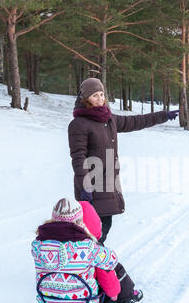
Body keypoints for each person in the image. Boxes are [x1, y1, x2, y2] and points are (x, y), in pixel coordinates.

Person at [68, 77, 179, 244]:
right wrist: (85, 187)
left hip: (108, 184)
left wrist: (163, 115)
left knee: (102, 229)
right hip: (91, 186)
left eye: (101, 94)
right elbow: (78, 158)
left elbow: (135, 121)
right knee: (92, 232)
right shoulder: (79, 124)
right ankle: (85, 264)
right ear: (85, 99)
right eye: (95, 96)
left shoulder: (108, 119)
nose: (100, 99)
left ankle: (92, 263)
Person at [31, 198, 125, 303]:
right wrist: (88, 236)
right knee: (103, 278)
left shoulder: (37, 246)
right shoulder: (87, 247)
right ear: (80, 222)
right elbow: (112, 260)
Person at [79, 200, 143, 303]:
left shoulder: (53, 248)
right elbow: (108, 280)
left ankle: (128, 294)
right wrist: (114, 294)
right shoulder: (94, 250)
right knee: (112, 271)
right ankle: (126, 298)